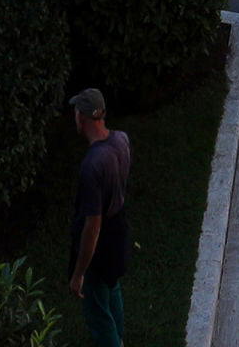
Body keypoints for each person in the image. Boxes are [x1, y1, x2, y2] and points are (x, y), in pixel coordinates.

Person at [66, 88, 132, 346]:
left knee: (97, 312)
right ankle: (120, 339)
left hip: (102, 242)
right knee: (112, 286)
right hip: (119, 230)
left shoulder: (92, 165)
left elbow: (93, 225)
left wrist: (79, 273)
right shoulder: (122, 140)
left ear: (82, 118)